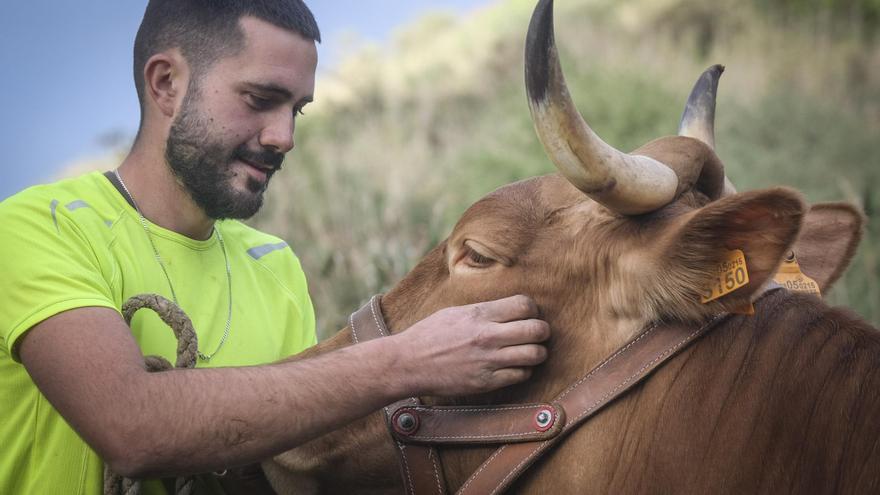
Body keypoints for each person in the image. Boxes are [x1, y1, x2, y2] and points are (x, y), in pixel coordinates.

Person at [0, 1, 550, 493]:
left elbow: (295, 465)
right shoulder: (37, 228)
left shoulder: (275, 266)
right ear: (166, 83)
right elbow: (130, 429)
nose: (282, 136)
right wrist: (406, 359)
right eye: (260, 99)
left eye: (296, 110)